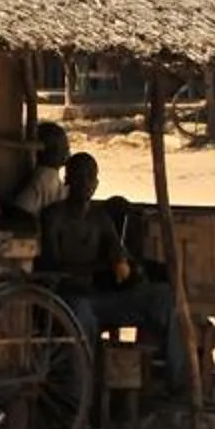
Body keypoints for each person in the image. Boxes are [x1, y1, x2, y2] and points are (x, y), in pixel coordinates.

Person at [38, 153, 191, 394]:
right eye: (79, 176)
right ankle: (80, 396)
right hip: (67, 299)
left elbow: (120, 255)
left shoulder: (100, 218)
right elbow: (51, 265)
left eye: (90, 177)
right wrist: (101, 266)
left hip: (103, 299)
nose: (85, 182)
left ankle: (178, 381)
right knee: (81, 310)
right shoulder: (53, 216)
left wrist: (128, 265)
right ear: (68, 180)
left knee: (164, 297)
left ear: (97, 184)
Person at [8, 121, 71, 224]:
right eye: (65, 147)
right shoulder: (43, 179)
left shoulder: (47, 177)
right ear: (53, 151)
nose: (68, 152)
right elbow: (20, 210)